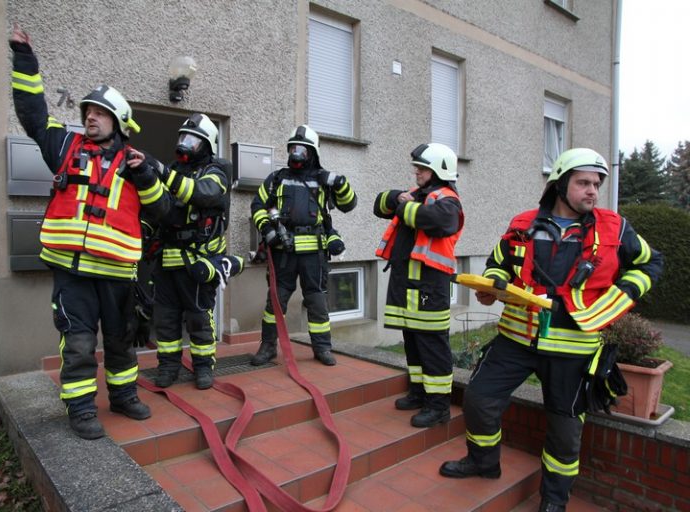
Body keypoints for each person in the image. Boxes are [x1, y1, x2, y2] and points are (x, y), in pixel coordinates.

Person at [439, 148, 664, 512]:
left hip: (574, 348)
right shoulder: (523, 222)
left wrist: (624, 295)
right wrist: (493, 285)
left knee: (564, 429)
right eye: (583, 183)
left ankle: (554, 500)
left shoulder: (616, 228)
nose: (592, 190)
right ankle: (483, 462)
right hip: (515, 338)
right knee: (479, 398)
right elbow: (500, 262)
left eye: (596, 184)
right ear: (560, 184)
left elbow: (650, 262)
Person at [9, 25, 170, 439]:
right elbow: (32, 114)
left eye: (98, 113)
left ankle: (123, 396)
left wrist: (148, 175)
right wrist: (25, 59)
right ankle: (80, 408)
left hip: (118, 274)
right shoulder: (65, 148)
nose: (89, 118)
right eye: (86, 113)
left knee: (120, 341)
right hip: (72, 272)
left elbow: (163, 210)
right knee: (78, 343)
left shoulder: (140, 164)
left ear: (118, 122)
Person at [373, 143, 464, 428]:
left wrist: (403, 205)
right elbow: (379, 205)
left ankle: (438, 407)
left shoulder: (447, 200)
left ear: (437, 169)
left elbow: (436, 221)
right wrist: (394, 197)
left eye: (422, 168)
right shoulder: (418, 196)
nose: (416, 172)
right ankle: (418, 392)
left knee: (432, 346)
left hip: (429, 286)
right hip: (407, 282)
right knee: (412, 341)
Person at [249, 125, 357, 366]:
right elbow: (257, 206)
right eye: (292, 149)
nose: (295, 154)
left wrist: (339, 183)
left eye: (302, 150)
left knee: (317, 302)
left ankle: (322, 348)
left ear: (312, 153)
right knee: (275, 302)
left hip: (313, 255)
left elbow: (349, 205)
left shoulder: (323, 179)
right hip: (282, 253)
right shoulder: (277, 178)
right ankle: (267, 348)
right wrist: (267, 231)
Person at [151, 113, 243, 390]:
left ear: (206, 145)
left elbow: (201, 194)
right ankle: (168, 366)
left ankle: (203, 367)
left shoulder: (216, 173)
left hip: (198, 262)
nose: (184, 144)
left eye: (192, 139)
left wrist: (163, 174)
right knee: (165, 321)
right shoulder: (172, 170)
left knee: (199, 318)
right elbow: (156, 208)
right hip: (167, 261)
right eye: (182, 138)